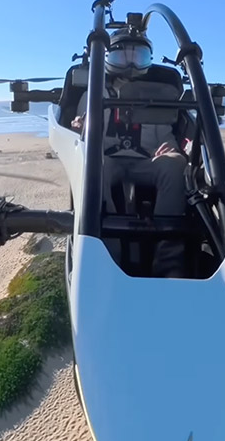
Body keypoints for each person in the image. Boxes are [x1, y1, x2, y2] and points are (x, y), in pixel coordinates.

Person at [71, 27, 189, 277]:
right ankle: (108, 259)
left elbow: (166, 134)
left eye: (138, 56)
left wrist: (172, 151)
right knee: (93, 169)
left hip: (148, 160)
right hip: (106, 160)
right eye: (123, 56)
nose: (131, 64)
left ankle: (168, 263)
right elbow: (81, 134)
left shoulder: (157, 94)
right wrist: (79, 129)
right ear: (109, 58)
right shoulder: (93, 92)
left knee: (174, 166)